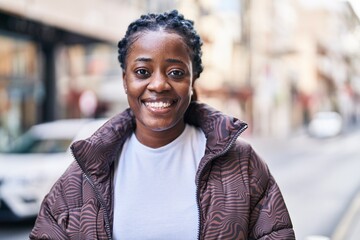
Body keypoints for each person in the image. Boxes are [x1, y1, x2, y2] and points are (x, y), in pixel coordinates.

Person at [30, 10, 295, 240]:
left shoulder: (241, 164)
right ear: (125, 81)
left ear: (192, 81)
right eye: (143, 72)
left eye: (176, 73)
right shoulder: (84, 175)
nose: (158, 85)